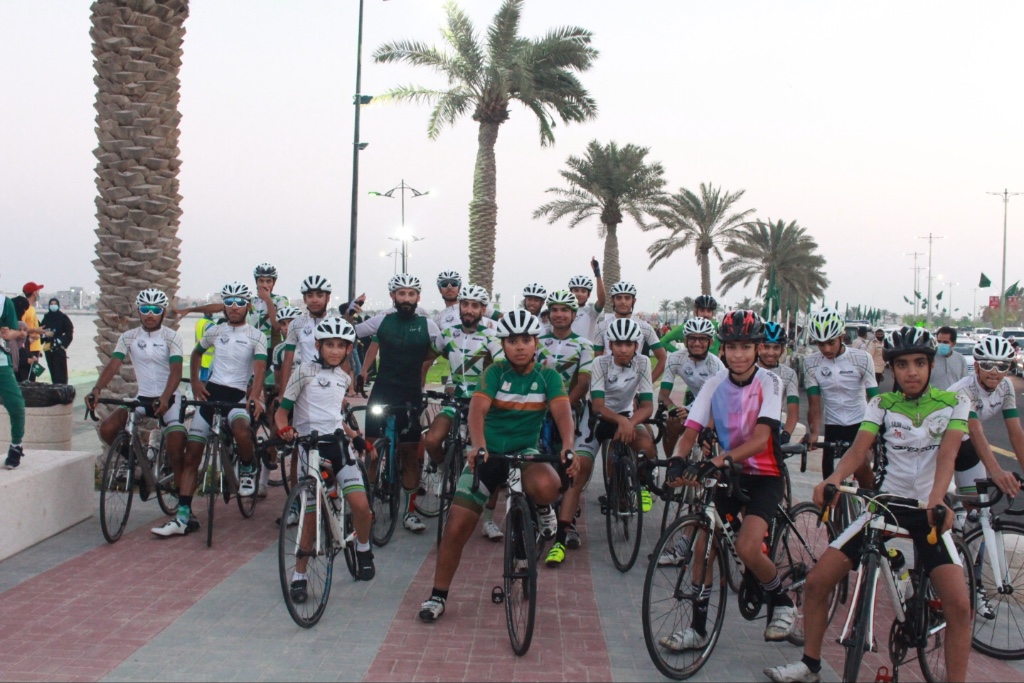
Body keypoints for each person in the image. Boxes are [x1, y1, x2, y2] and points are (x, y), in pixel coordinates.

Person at [764, 327, 972, 683]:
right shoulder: (881, 404)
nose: (911, 372)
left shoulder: (954, 402)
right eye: (902, 365)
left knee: (960, 607)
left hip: (929, 509)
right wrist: (833, 479)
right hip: (885, 508)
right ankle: (811, 665)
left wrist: (938, 499)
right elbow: (859, 450)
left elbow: (948, 454)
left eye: (919, 363)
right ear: (891, 369)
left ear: (931, 365)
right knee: (817, 582)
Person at [418, 310, 577, 622]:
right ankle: (438, 595)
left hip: (525, 452)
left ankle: (542, 508)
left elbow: (562, 412)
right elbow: (477, 410)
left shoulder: (549, 376)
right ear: (503, 345)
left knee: (550, 485)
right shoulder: (495, 373)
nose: (519, 346)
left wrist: (569, 445)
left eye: (526, 340)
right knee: (455, 528)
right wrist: (477, 444)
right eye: (512, 341)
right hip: (488, 454)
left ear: (536, 343)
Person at [660, 310, 797, 647]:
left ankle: (781, 601)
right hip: (728, 473)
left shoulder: (770, 382)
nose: (738, 355)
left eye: (745, 347)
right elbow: (690, 432)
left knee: (747, 547)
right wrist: (677, 460)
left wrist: (715, 461)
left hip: (764, 475)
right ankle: (697, 630)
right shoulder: (714, 383)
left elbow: (760, 440)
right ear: (722, 349)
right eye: (732, 347)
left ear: (757, 349)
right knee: (702, 549)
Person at [152, 282, 267, 536]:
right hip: (210, 396)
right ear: (223, 306)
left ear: (248, 305)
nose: (234, 307)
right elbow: (195, 354)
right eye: (229, 302)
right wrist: (195, 382)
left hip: (237, 397)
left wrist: (254, 396)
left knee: (241, 430)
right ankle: (183, 517)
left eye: (239, 302)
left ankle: (247, 467)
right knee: (192, 455)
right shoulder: (215, 331)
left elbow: (260, 369)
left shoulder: (256, 335)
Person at [275, 316, 375, 596]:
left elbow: (333, 416)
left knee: (361, 506)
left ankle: (364, 548)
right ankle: (299, 574)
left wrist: (355, 436)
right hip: (310, 448)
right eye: (329, 344)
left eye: (340, 346)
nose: (334, 350)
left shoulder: (344, 378)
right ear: (318, 346)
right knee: (310, 515)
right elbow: (281, 412)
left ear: (348, 349)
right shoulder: (303, 372)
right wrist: (284, 429)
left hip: (338, 446)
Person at [556, 316, 655, 568]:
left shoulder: (643, 363)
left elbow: (647, 406)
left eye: (629, 344)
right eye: (618, 344)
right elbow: (598, 406)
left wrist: (629, 423)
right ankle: (560, 539)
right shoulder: (599, 363)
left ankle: (642, 485)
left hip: (627, 417)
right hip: (598, 420)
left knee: (647, 446)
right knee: (579, 472)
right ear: (610, 345)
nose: (623, 349)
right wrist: (622, 421)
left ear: (636, 346)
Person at [352, 274, 442, 533]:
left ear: (418, 297)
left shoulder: (427, 325)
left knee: (409, 454)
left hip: (410, 394)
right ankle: (366, 508)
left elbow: (446, 347)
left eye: (411, 294)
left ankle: (409, 512)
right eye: (401, 294)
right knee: (371, 450)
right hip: (383, 390)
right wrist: (356, 371)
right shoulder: (382, 320)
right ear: (393, 296)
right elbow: (349, 334)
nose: (406, 299)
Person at [85, 290, 186, 507]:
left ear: (163, 312)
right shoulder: (129, 337)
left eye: (155, 310)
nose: (150, 314)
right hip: (143, 398)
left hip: (170, 398)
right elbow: (114, 364)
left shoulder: (171, 337)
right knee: (107, 429)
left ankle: (183, 504)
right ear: (138, 311)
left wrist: (165, 397)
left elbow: (176, 370)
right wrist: (97, 389)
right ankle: (138, 462)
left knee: (176, 446)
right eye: (145, 309)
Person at [421, 284, 504, 539]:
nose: (468, 310)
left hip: (482, 405)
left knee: (492, 459)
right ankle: (445, 471)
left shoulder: (491, 337)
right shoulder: (448, 333)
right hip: (455, 400)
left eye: (474, 306)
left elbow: (502, 368)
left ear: (483, 310)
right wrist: (419, 385)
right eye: (465, 304)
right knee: (432, 440)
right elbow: (426, 358)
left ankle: (488, 519)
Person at [536, 290, 594, 564]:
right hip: (538, 411)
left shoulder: (584, 345)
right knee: (538, 462)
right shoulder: (537, 341)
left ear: (573, 314)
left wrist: (562, 407)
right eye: (555, 310)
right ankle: (542, 512)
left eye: (565, 310)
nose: (559, 315)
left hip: (569, 411)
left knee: (568, 467)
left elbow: (583, 382)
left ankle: (569, 525)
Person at [804, 308, 878, 481]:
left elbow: (874, 399)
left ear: (842, 337)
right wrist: (814, 433)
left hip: (861, 424)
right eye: (821, 344)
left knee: (862, 472)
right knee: (829, 483)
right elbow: (814, 404)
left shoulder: (862, 358)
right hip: (833, 426)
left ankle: (870, 498)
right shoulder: (811, 363)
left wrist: (876, 430)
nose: (826, 349)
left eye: (831, 342)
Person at [658, 317, 723, 457]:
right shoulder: (675, 359)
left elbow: (719, 402)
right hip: (694, 401)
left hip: (716, 406)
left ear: (711, 342)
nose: (697, 343)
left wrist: (691, 411)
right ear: (685, 340)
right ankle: (672, 464)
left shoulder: (716, 365)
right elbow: (662, 395)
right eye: (692, 338)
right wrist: (672, 408)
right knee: (672, 422)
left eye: (702, 339)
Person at [593, 281, 668, 382]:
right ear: (612, 300)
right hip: (609, 383)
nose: (623, 302)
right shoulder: (601, 327)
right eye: (619, 298)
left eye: (627, 298)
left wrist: (647, 383)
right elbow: (597, 362)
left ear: (634, 301)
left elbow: (663, 358)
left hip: (634, 384)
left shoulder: (645, 327)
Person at [279, 275, 333, 392]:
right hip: (305, 385)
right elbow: (287, 361)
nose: (314, 300)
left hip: (330, 385)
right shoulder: (295, 324)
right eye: (310, 296)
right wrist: (282, 393)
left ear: (328, 298)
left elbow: (344, 362)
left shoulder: (335, 324)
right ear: (304, 299)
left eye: (319, 295)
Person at [757, 322, 800, 444]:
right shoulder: (747, 370)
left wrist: (786, 434)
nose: (771, 353)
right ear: (758, 347)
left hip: (773, 432)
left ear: (782, 349)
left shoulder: (789, 374)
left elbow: (793, 412)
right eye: (766, 347)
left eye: (776, 347)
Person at [0, 283, 27, 469]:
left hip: (1, 362)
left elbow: (16, 332)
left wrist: (11, 333)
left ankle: (16, 445)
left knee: (16, 404)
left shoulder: (5, 303)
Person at [567, 257, 606, 341]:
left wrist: (597, 274)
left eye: (583, 291)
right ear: (570, 292)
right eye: (576, 290)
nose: (579, 294)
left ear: (588, 295)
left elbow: (602, 300)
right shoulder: (563, 311)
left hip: (586, 349)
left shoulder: (591, 311)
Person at [40, 298, 73, 385]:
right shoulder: (46, 317)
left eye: (55, 304)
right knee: (52, 370)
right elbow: (41, 330)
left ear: (58, 305)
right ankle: (54, 387)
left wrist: (59, 340)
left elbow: (69, 332)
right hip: (48, 348)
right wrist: (45, 334)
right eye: (51, 304)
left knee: (61, 371)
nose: (53, 305)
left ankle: (62, 388)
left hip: (59, 347)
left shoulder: (63, 317)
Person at [20, 282, 44, 380]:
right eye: (38, 291)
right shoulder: (26, 309)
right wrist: (35, 330)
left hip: (35, 348)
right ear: (34, 292)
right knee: (28, 378)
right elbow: (20, 327)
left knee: (33, 377)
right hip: (29, 348)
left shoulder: (32, 308)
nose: (39, 293)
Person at [931, 326, 968, 390]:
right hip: (934, 395)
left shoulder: (960, 358)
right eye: (939, 341)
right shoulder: (930, 357)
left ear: (953, 343)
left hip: (954, 395)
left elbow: (965, 381)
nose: (941, 344)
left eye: (945, 342)